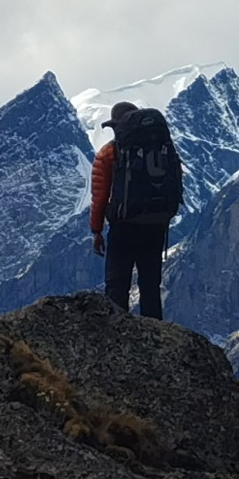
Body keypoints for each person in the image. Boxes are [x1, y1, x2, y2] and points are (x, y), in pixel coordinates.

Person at [90, 100, 184, 319]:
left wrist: (96, 231)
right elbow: (177, 177)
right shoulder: (163, 147)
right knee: (150, 283)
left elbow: (100, 195)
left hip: (124, 225)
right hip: (157, 222)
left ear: (116, 126)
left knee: (117, 283)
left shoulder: (109, 153)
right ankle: (156, 337)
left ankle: (117, 334)